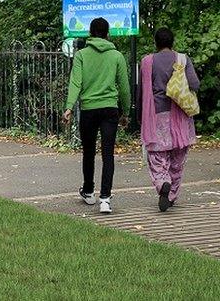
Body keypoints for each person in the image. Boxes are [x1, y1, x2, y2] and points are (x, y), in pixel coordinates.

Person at [63, 17, 131, 214]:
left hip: (88, 109)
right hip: (110, 109)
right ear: (107, 33)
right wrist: (125, 112)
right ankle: (105, 199)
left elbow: (76, 82)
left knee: (89, 151)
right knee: (108, 154)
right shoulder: (117, 56)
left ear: (90, 33)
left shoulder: (82, 55)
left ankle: (89, 191)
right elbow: (124, 88)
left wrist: (69, 107)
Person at [140, 27, 200, 212]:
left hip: (156, 115)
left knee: (157, 156)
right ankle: (172, 194)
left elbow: (141, 92)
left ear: (156, 42)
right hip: (180, 117)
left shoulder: (147, 61)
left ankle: (162, 182)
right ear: (172, 41)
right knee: (177, 158)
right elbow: (195, 84)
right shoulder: (183, 59)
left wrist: (138, 117)